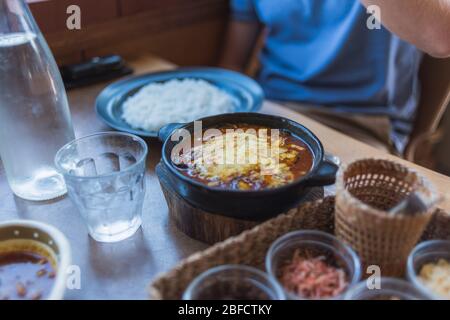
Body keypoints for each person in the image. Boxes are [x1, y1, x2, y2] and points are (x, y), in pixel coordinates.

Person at [219, 0, 450, 154]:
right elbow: (233, 62)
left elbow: (441, 36)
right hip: (272, 110)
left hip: (363, 124)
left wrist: (421, 138)